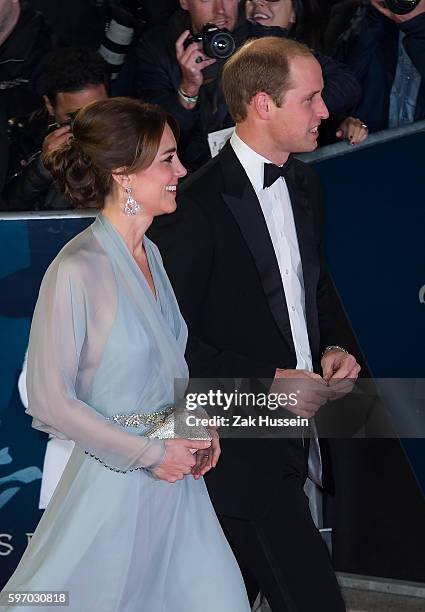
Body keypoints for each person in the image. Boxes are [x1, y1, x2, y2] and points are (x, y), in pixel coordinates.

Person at [0, 98, 250, 612]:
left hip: (175, 486)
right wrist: (152, 454)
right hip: (112, 493)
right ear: (124, 176)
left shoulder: (151, 254)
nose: (182, 170)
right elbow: (49, 399)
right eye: (167, 159)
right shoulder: (77, 270)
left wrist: (198, 424)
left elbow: (168, 366)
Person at [149, 37, 361, 611]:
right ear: (263, 104)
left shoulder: (307, 183)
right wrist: (266, 381)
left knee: (231, 595)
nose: (325, 111)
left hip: (298, 433)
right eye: (311, 99)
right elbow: (169, 339)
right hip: (234, 438)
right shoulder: (192, 206)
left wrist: (334, 344)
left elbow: (310, 288)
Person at [136, 0, 361, 171]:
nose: (220, 11)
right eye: (206, 0)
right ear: (184, 2)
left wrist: (278, 109)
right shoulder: (157, 47)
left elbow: (346, 83)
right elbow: (153, 135)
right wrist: (188, 89)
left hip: (266, 170)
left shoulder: (264, 39)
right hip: (195, 180)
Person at [245, 0, 369, 145]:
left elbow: (347, 84)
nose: (258, 2)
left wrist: (339, 124)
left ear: (294, 13)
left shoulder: (304, 57)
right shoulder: (225, 50)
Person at [2, 46, 108, 211]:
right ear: (50, 106)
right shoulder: (21, 135)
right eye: (75, 117)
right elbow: (6, 214)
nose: (89, 124)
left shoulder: (129, 128)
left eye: (98, 111)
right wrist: (42, 168)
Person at [333, 0, 425, 132]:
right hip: (372, 145)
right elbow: (345, 84)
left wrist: (418, 29)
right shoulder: (355, 14)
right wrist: (374, 13)